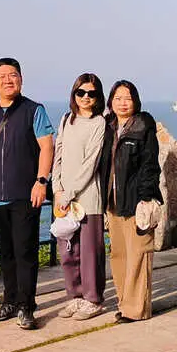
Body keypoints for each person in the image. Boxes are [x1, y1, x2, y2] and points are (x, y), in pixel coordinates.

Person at [0, 58, 55, 330]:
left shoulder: (33, 110)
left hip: (25, 194)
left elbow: (47, 147)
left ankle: (27, 306)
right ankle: (9, 301)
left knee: (25, 252)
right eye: (2, 75)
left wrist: (41, 181)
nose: (8, 80)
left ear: (21, 78)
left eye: (13, 75)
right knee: (6, 253)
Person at [101, 79, 163, 323]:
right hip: (114, 203)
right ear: (111, 102)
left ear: (136, 101)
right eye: (117, 98)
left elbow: (150, 164)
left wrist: (146, 198)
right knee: (119, 256)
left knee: (139, 254)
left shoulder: (143, 126)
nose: (122, 102)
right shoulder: (109, 126)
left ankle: (137, 310)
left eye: (127, 98)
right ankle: (124, 303)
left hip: (137, 201)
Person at [51, 73, 109, 321]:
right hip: (64, 196)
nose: (86, 97)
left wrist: (70, 193)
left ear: (98, 97)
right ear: (74, 94)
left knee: (90, 251)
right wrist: (57, 189)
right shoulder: (67, 119)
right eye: (81, 92)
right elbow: (58, 154)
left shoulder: (100, 123)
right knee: (67, 251)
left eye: (91, 93)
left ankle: (93, 299)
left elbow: (91, 163)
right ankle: (74, 296)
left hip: (88, 197)